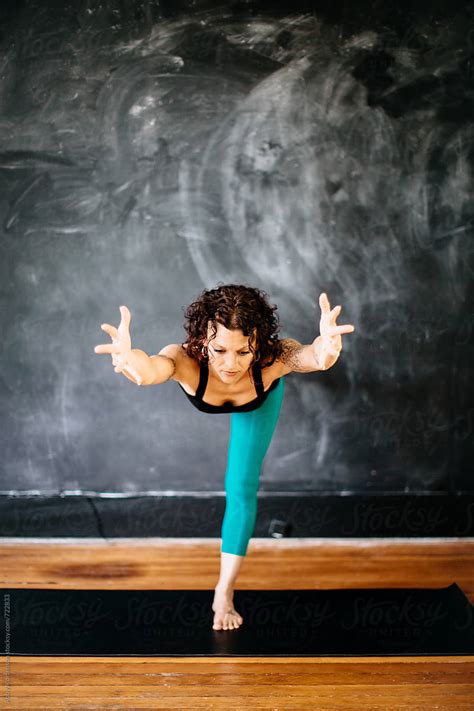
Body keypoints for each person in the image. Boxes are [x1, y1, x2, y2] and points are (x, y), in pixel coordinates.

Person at [94, 284, 355, 631]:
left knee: (241, 487)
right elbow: (151, 369)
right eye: (219, 349)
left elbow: (312, 356)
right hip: (202, 378)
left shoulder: (273, 359)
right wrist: (131, 362)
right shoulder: (184, 360)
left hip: (258, 403)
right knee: (237, 484)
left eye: (243, 352)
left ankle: (224, 591)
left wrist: (328, 348)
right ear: (202, 340)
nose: (230, 364)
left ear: (258, 343)